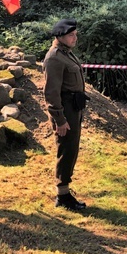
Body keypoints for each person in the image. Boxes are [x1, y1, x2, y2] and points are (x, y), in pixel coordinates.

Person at [43, 18, 89, 211]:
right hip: (65, 109)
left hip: (74, 108)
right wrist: (59, 119)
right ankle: (62, 195)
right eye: (71, 35)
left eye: (75, 35)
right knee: (66, 150)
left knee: (71, 149)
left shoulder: (66, 54)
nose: (75, 38)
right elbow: (51, 93)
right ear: (60, 36)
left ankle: (65, 190)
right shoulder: (54, 57)